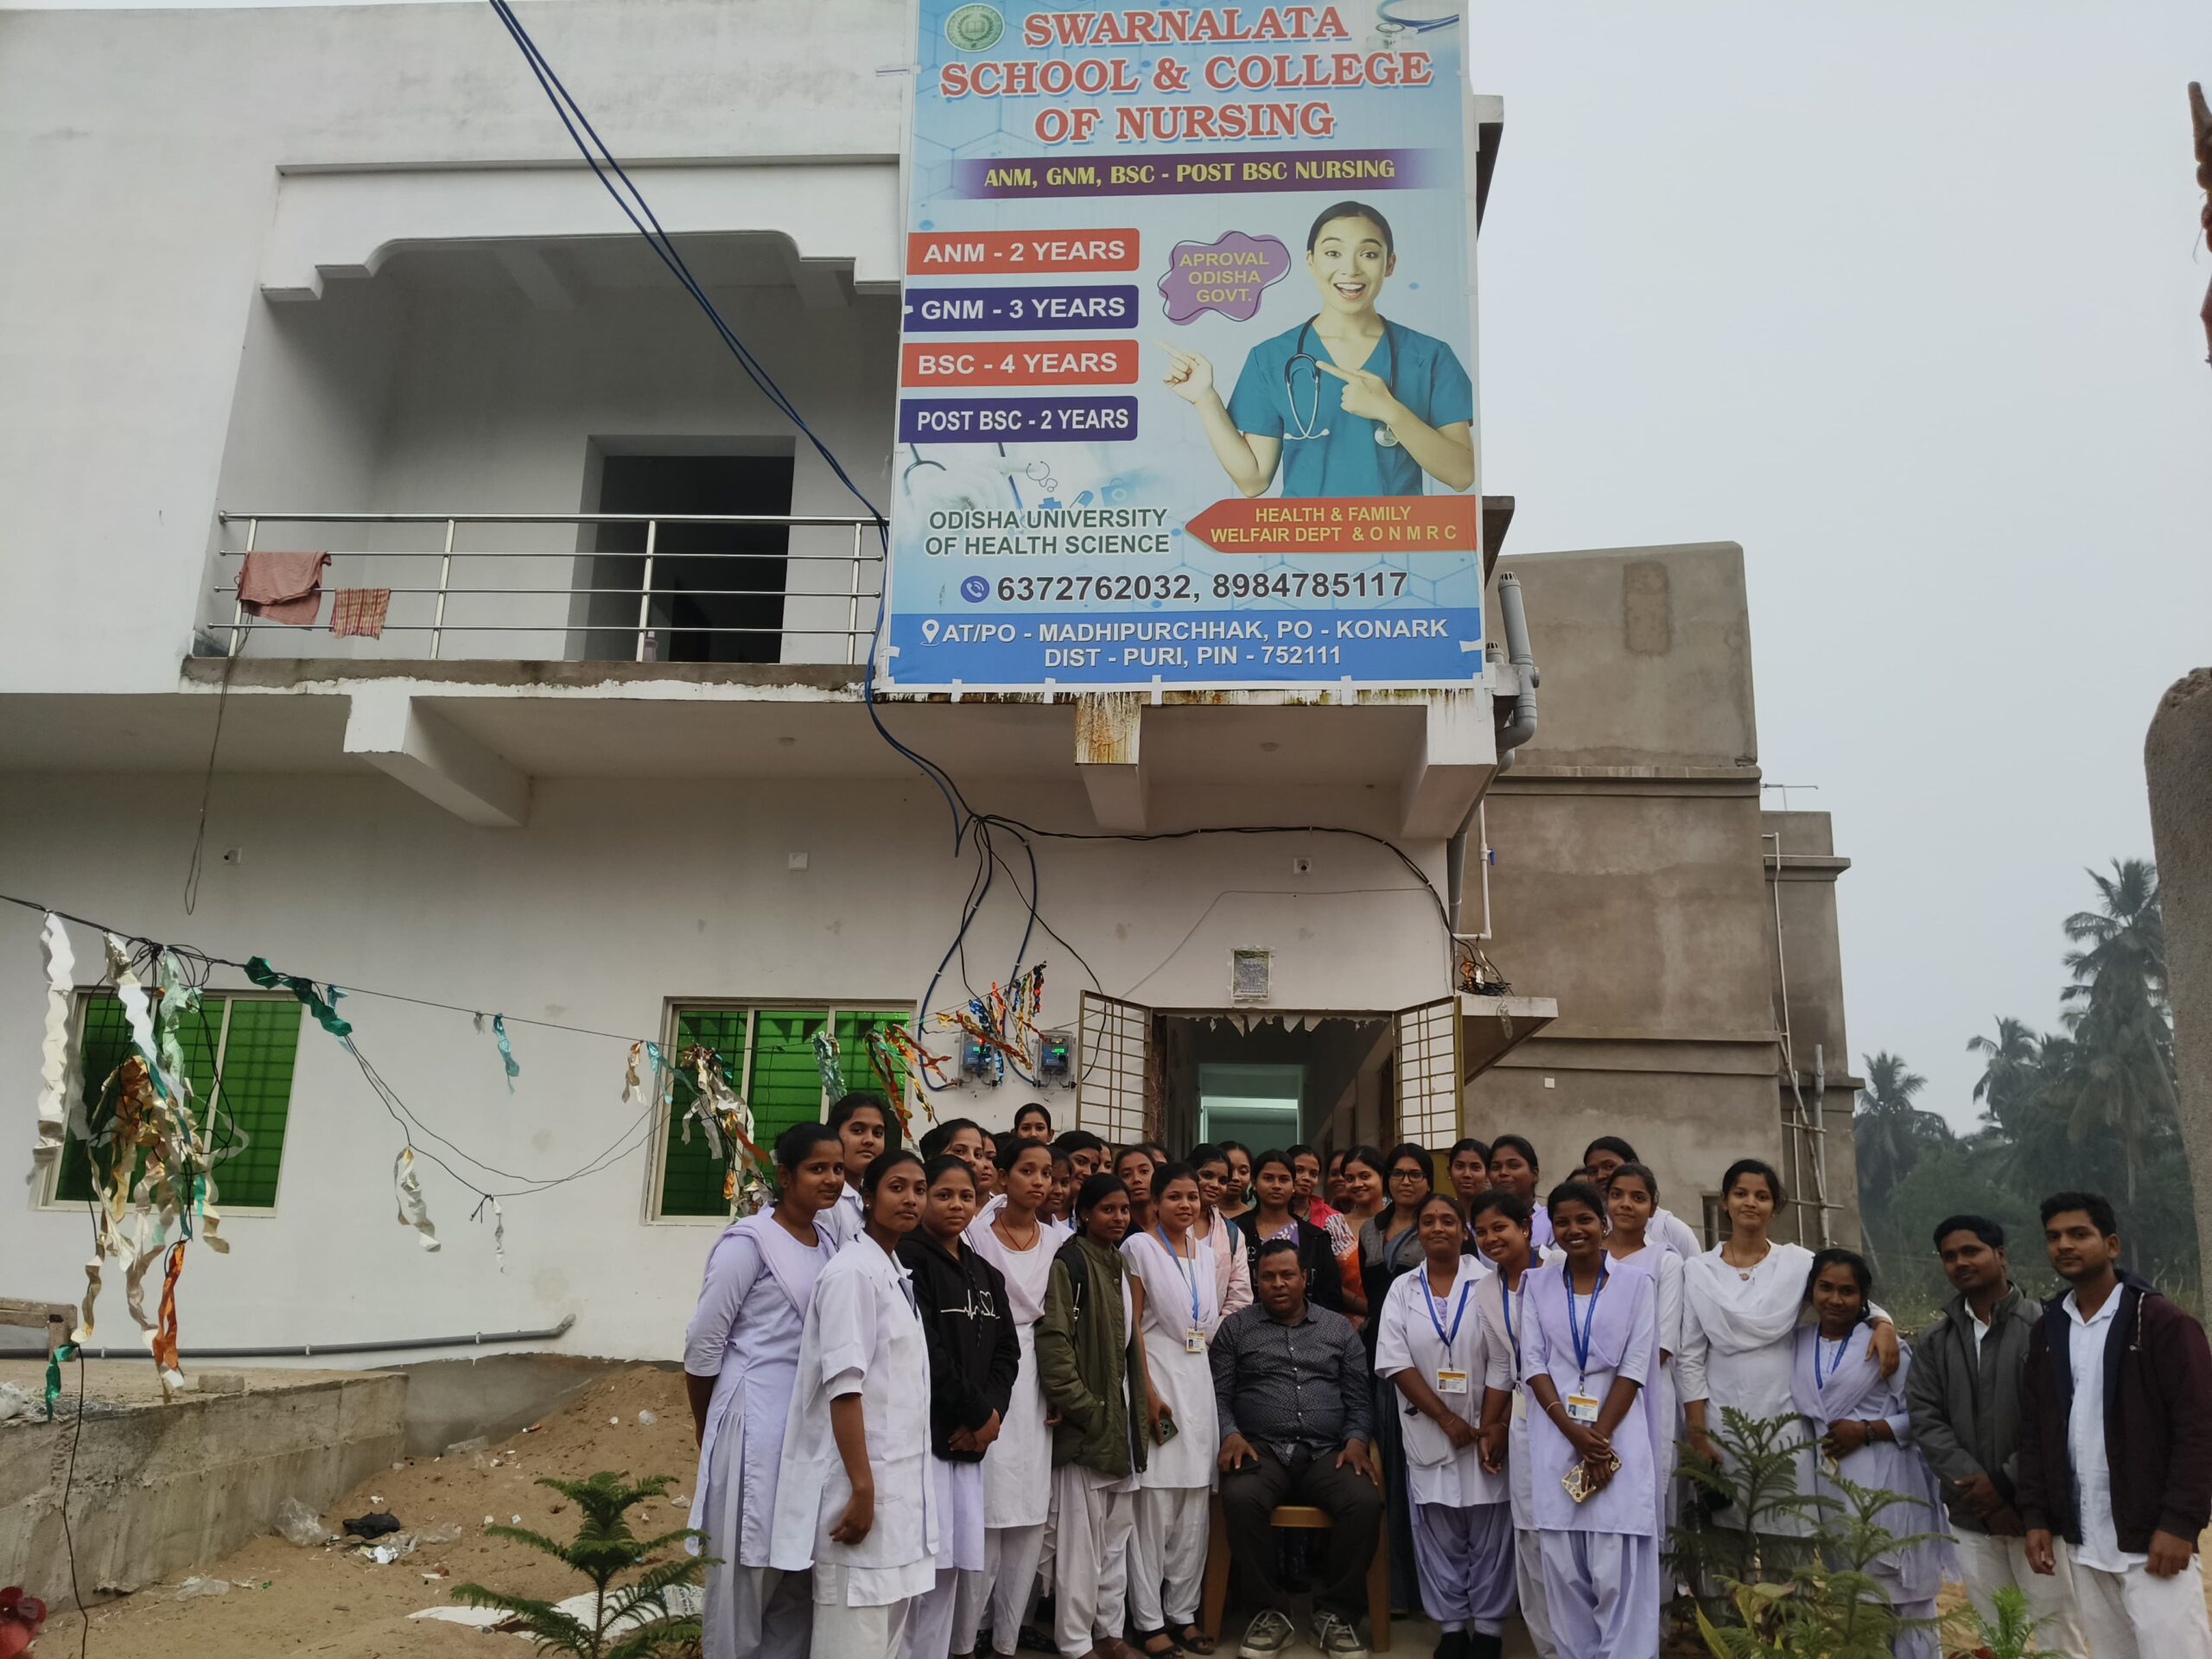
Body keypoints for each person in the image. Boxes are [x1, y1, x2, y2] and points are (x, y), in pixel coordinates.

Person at [1160, 200, 1476, 499]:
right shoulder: (1270, 358)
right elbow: (1253, 480)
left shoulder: (1430, 357)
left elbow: (1461, 475)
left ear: (1389, 264)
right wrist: (1204, 399)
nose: (1350, 269)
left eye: (1368, 254)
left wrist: (1390, 411)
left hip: (1396, 533)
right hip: (1305, 534)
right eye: (1333, 253)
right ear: (1311, 261)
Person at [2018, 1192, 2212, 1659]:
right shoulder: (2050, 1329)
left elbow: (2198, 1428)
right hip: (2086, 1536)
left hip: (2152, 1538)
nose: (2064, 1245)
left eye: (2078, 1234)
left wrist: (2180, 1523)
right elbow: (2036, 1430)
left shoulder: (2159, 1322)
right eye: (2054, 1237)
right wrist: (2037, 1516)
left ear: (2111, 1245)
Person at [1679, 1159, 1900, 1554]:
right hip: (1720, 1421)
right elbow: (1690, 1357)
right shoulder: (1698, 1271)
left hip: (1786, 1419)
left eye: (1762, 1196)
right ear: (1725, 1202)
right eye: (1741, 1194)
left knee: (1788, 1540)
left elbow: (1845, 1293)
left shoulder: (1797, 1264)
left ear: (1775, 1207)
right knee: (1724, 1550)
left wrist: (1883, 1324)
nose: (1751, 1203)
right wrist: (1698, 1436)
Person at [685, 1122, 842, 1659]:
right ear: (785, 1175)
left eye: (837, 1169)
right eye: (817, 1168)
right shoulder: (748, 1243)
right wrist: (708, 1426)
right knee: (744, 1565)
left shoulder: (830, 1245)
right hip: (752, 1418)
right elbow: (703, 1344)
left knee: (796, 1562)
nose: (831, 1178)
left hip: (806, 1422)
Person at [772, 1149, 936, 1659]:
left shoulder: (893, 1271)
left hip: (899, 1495)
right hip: (860, 1489)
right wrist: (863, 1488)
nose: (911, 1199)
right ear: (866, 1197)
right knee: (852, 1640)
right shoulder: (851, 1274)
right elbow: (845, 1388)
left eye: (919, 1189)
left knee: (888, 1639)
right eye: (896, 1187)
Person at [1904, 1214, 2088, 1657]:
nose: (1960, 1262)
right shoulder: (1936, 1341)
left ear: (2000, 1255)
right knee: (1995, 1636)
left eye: (1971, 1251)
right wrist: (1983, 1496)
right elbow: (1926, 1419)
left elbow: (2061, 1418)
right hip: (1972, 1517)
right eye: (1950, 1256)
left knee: (2058, 1635)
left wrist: (2006, 1486)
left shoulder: (2047, 1328)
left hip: (2041, 1517)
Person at [1212, 1239, 1383, 1659]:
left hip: (1327, 1452)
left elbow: (1359, 1399)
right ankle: (1269, 1612)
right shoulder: (1236, 1329)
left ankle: (1336, 1614)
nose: (1278, 1284)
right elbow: (1218, 1394)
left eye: (1287, 1275)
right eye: (1268, 1277)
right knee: (1241, 1496)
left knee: (1363, 1500)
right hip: (1260, 1451)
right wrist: (1229, 1432)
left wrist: (1357, 1440)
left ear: (1305, 1278)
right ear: (1256, 1281)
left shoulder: (1337, 1329)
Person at [1516, 1181, 1662, 1659]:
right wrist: (1573, 1433)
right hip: (1557, 1433)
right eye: (1562, 1222)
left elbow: (1635, 1366)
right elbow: (1533, 1363)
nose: (1573, 1230)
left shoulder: (1637, 1283)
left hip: (1617, 1436)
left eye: (1584, 1219)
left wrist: (1597, 1438)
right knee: (1564, 1571)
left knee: (1617, 1566)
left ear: (1603, 1223)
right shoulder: (1536, 1284)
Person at [1375, 1192, 1511, 1659]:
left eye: (1448, 1220)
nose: (1438, 1227)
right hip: (1430, 1427)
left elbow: (1506, 1359)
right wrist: (1446, 1418)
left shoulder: (1489, 1282)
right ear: (1418, 1232)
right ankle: (1452, 1627)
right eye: (1429, 1221)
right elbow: (1395, 1361)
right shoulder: (1402, 1288)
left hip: (1485, 1428)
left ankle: (1489, 1629)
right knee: (1437, 1530)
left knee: (1490, 1530)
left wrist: (1490, 1424)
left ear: (1464, 1231)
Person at [1791, 1249, 1947, 1659]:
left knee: (1908, 1607)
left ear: (1864, 1298)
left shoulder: (1885, 1347)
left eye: (1847, 1291)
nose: (1835, 1299)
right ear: (1811, 1291)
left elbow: (1924, 1417)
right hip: (1831, 1490)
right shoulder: (1797, 1342)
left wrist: (1867, 1430)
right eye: (1826, 1288)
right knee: (1855, 1603)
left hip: (1889, 1484)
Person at [901, 1155, 1019, 1659]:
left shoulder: (985, 1272)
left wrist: (992, 1415)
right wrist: (975, 1413)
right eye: (943, 1194)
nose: (956, 1205)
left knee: (950, 1568)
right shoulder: (908, 1259)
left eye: (966, 1196)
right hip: (928, 1437)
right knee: (918, 1569)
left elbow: (1007, 1351)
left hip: (973, 1440)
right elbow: (926, 1348)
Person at [1035, 1174, 1148, 1659]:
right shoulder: (1072, 1262)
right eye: (1108, 1209)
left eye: (1124, 1209)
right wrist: (1084, 1406)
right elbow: (1054, 1340)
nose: (1119, 1217)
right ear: (1084, 1213)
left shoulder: (1118, 1261)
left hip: (1119, 1417)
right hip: (1090, 1422)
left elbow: (1129, 1343)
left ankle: (1110, 1632)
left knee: (1116, 1538)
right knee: (1081, 1544)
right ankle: (1076, 1641)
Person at [967, 1137, 1067, 1659]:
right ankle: (967, 1634)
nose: (1039, 1181)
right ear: (1003, 1177)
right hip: (987, 1364)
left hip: (1038, 1373)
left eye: (1047, 1173)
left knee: (1028, 1506)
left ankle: (1008, 1635)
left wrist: (1058, 1385)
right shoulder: (974, 1235)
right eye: (1027, 1170)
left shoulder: (1059, 1242)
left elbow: (1062, 1322)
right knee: (986, 1504)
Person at [1122, 1164, 1224, 1658]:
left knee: (1193, 1504)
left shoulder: (1205, 1251)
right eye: (1175, 1197)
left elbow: (1206, 1322)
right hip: (1158, 1375)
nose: (1186, 1205)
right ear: (1156, 1202)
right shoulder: (1139, 1248)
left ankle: (1183, 1612)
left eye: (1192, 1197)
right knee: (1154, 1506)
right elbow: (1132, 1327)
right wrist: (1145, 1392)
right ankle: (1148, 1620)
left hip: (1197, 1378)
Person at [1468, 1188, 1560, 1659]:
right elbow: (1503, 1365)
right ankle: (1549, 1646)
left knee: (1570, 1528)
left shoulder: (1562, 1269)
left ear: (1526, 1227)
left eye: (1500, 1227)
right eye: (1481, 1232)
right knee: (1530, 1529)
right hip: (1525, 1416)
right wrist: (1492, 1428)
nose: (1491, 1239)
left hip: (1571, 1413)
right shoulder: (1485, 1290)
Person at [1357, 1141, 1436, 1613]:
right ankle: (1385, 1587)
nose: (1406, 1181)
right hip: (1374, 1351)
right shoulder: (1371, 1229)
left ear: (1429, 1180)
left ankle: (1424, 1588)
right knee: (1381, 1462)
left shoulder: (1438, 1223)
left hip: (1423, 1354)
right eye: (1398, 1173)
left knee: (1417, 1465)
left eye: (1415, 1174)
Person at [1603, 1163, 1685, 1528]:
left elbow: (1663, 1344)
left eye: (1638, 1198)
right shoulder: (1584, 1255)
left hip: (1645, 1389)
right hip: (1587, 1391)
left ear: (1653, 1208)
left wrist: (1617, 1380)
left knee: (1642, 1495)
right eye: (1617, 1195)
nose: (1626, 1204)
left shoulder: (1665, 1262)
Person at [1234, 1149, 1345, 1314]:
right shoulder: (1234, 1231)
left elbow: (1330, 1296)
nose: (1276, 1186)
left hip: (1308, 1327)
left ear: (1293, 1186)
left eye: (1284, 1179)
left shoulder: (1316, 1237)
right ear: (1254, 1184)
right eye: (1268, 1178)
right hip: (1246, 1325)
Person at [1580, 1137, 1701, 1260]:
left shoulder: (1672, 1230)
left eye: (1609, 1166)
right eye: (1592, 1171)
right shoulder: (1591, 1227)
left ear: (1633, 1165)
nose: (1600, 1176)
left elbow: (1696, 1269)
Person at [823, 1092, 899, 1248]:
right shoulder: (825, 1201)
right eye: (857, 1130)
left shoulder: (877, 1197)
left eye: (878, 1133)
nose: (869, 1140)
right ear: (834, 1135)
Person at [1189, 1142, 1254, 1319]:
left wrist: (1215, 1330)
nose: (1215, 1185)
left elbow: (1239, 1298)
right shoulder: (1167, 1223)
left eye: (1222, 1180)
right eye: (1207, 1176)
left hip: (1217, 1332)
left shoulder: (1232, 1234)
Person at [1484, 1135, 1548, 1251]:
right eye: (1496, 1167)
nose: (1503, 1172)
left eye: (1514, 1166)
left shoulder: (1550, 1221)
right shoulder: (1481, 1226)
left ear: (1534, 1174)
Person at [1117, 1145, 1158, 1236]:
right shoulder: (1116, 1229)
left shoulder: (1171, 1224)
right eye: (1127, 1175)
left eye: (1144, 1171)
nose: (1136, 1179)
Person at [1446, 1139, 1491, 1212]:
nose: (1467, 1174)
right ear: (1449, 1172)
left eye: (1476, 1168)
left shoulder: (1500, 1214)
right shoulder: (1443, 1213)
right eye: (1460, 1166)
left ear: (1487, 1175)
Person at [1216, 1141, 1255, 1224]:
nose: (1236, 1178)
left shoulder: (1255, 1220)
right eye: (1229, 1170)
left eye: (1243, 1172)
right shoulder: (1197, 1215)